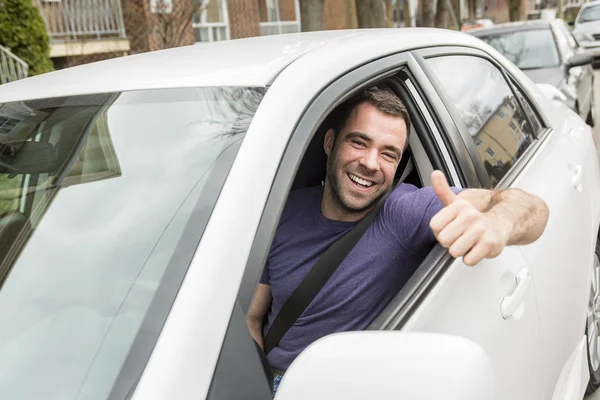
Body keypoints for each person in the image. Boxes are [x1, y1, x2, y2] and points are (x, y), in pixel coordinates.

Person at [247, 89, 549, 394]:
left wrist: (497, 222)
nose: (370, 163)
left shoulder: (404, 213)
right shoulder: (284, 212)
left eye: (388, 153)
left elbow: (532, 208)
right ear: (330, 144)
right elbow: (254, 317)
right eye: (359, 142)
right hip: (261, 378)